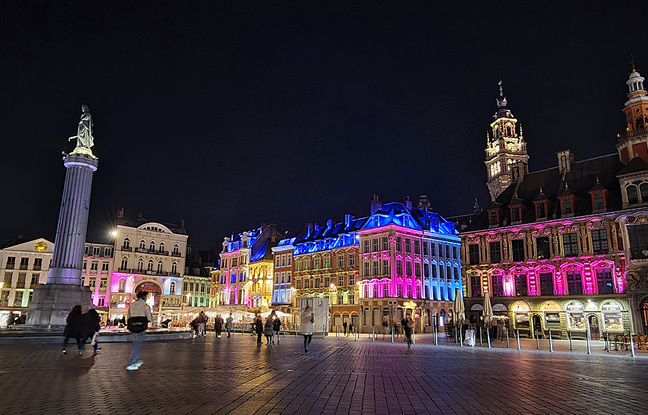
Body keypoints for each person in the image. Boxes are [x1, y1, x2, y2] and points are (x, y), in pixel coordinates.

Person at [126, 291, 152, 371]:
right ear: (144, 297)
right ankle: (131, 363)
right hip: (141, 327)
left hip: (133, 327)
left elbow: (128, 316)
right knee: (137, 345)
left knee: (135, 343)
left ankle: (138, 359)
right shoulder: (145, 306)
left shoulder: (132, 305)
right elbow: (149, 317)